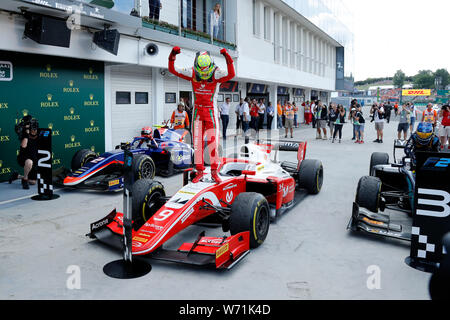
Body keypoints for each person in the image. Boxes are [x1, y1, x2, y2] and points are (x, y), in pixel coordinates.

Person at [168, 46, 235, 183]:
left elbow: (231, 74)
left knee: (212, 143)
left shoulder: (216, 72)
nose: (204, 75)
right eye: (201, 72)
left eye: (206, 72)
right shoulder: (192, 72)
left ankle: (214, 172)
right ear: (197, 65)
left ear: (210, 65)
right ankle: (199, 172)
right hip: (198, 112)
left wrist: (227, 57)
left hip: (211, 112)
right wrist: (172, 55)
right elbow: (173, 70)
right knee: (197, 144)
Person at [10, 116, 39, 189]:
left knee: (33, 182)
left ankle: (17, 176)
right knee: (29, 162)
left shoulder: (38, 135)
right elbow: (23, 146)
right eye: (33, 129)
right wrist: (26, 133)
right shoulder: (25, 134)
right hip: (24, 158)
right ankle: (25, 180)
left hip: (33, 159)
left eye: (35, 129)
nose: (34, 130)